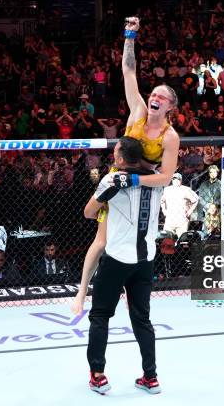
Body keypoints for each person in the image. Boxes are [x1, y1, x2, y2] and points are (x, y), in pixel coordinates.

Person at [72, 16, 180, 326]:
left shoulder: (169, 136)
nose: (154, 97)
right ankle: (81, 292)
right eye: (154, 94)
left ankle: (135, 293)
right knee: (100, 238)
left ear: (171, 106)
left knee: (133, 241)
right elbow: (128, 71)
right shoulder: (137, 111)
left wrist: (133, 178)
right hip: (118, 179)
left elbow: (166, 177)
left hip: (143, 187)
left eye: (161, 97)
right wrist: (129, 37)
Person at [79, 136, 163, 394]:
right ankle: (151, 377)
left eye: (115, 151)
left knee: (100, 315)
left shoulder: (111, 180)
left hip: (117, 260)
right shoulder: (158, 178)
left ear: (120, 158)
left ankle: (98, 375)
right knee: (142, 319)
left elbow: (89, 212)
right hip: (146, 260)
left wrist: (107, 202)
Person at [160, 173, 199, 238]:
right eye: (173, 179)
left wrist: (190, 211)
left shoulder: (186, 189)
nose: (175, 181)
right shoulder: (167, 190)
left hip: (182, 220)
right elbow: (162, 201)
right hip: (169, 220)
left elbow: (196, 199)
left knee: (182, 241)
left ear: (181, 180)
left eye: (177, 179)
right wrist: (164, 210)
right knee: (166, 240)